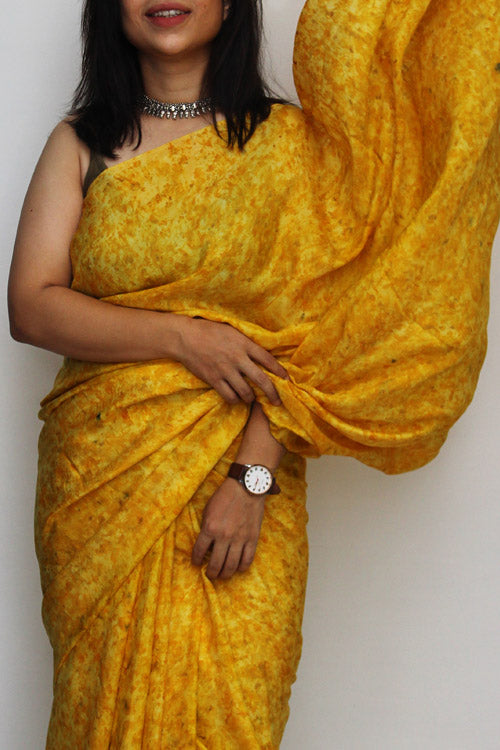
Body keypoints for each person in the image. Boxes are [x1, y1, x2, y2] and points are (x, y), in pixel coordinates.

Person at [7, 0, 500, 747]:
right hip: (103, 489)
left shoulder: (292, 147)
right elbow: (32, 306)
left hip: (242, 489)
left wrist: (252, 479)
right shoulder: (83, 143)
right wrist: (184, 338)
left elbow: (325, 327)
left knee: (231, 720)